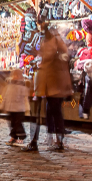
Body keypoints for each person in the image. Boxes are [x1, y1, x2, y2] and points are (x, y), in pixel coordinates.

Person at [33, 23, 73, 151]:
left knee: (54, 111)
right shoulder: (58, 46)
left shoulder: (53, 47)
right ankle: (56, 138)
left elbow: (47, 59)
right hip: (54, 86)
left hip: (54, 85)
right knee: (53, 111)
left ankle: (57, 139)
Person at [3, 68, 31, 145]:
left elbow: (25, 98)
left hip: (19, 108)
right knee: (12, 123)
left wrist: (27, 108)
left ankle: (21, 137)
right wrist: (2, 105)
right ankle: (14, 136)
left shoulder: (22, 86)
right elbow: (6, 96)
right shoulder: (9, 85)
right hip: (11, 108)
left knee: (18, 123)